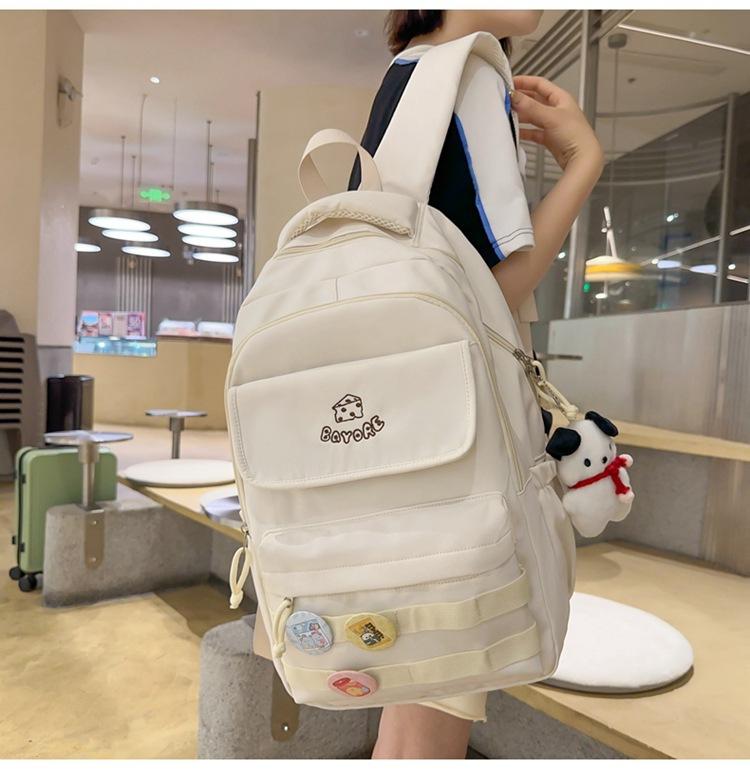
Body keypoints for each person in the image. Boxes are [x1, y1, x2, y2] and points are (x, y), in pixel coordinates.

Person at [351, 11, 605, 759]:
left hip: (388, 430)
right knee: (430, 725)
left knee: (410, 716)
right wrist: (583, 160)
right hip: (452, 447)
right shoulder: (470, 74)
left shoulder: (405, 76)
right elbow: (495, 294)